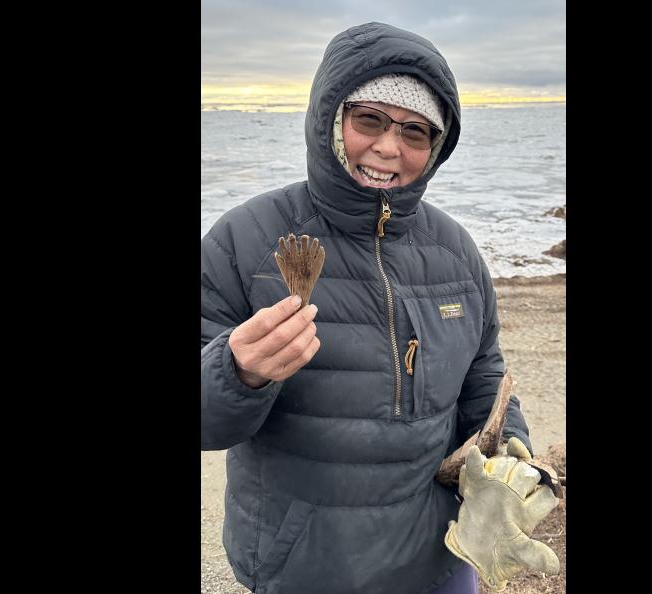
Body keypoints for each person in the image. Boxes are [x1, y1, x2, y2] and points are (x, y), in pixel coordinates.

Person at [201, 22, 537, 594]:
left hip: (441, 555)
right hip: (306, 565)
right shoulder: (244, 240)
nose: (388, 147)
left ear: (436, 146)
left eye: (415, 131)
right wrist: (238, 373)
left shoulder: (456, 249)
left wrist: (510, 457)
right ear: (331, 120)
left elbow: (484, 370)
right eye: (369, 120)